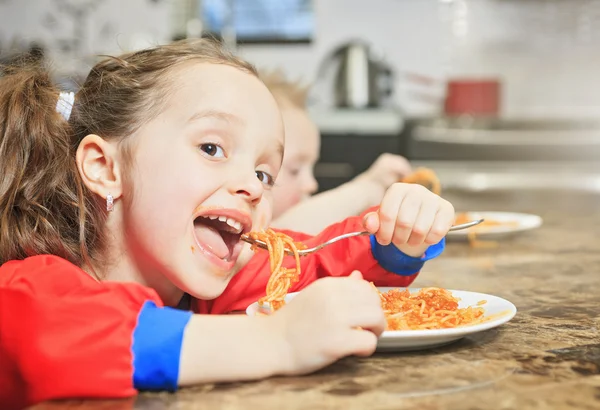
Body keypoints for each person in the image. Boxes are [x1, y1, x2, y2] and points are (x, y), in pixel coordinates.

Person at [0, 39, 454, 409]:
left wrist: (394, 238)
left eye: (264, 174)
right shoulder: (27, 289)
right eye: (212, 148)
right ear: (105, 167)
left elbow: (312, 260)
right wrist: (275, 341)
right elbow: (62, 335)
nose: (253, 187)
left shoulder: (205, 285)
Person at [260, 70, 413, 235]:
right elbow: (283, 233)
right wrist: (368, 187)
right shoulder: (243, 238)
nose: (311, 184)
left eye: (312, 169)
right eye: (295, 170)